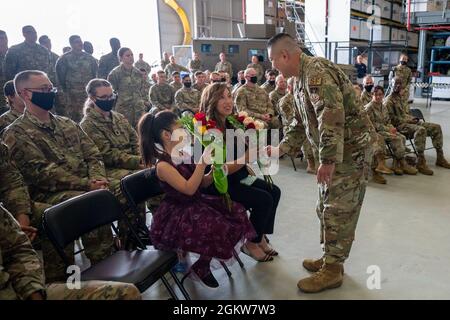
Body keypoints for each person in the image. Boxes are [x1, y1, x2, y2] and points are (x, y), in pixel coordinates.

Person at [266, 33, 371, 293]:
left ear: (285, 56)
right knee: (324, 206)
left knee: (338, 211)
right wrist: (282, 148)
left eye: (272, 60)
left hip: (350, 153)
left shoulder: (316, 74)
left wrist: (327, 159)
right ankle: (329, 259)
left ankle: (333, 270)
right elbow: (302, 121)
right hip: (338, 152)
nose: (272, 67)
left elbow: (331, 117)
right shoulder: (301, 78)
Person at [3, 70, 115, 282]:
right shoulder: (16, 132)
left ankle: (107, 271)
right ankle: (65, 283)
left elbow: (93, 154)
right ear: (25, 94)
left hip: (86, 187)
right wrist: (86, 184)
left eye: (50, 88)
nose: (50, 93)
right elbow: (42, 173)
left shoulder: (67, 123)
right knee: (82, 204)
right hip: (48, 196)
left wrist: (97, 180)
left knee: (99, 197)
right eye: (44, 90)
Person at [137, 111, 255, 288]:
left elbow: (202, 183)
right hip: (179, 212)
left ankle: (202, 264)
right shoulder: (162, 165)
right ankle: (201, 265)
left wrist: (214, 171)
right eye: (180, 128)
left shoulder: (182, 154)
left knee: (235, 211)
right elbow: (189, 189)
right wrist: (202, 162)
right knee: (216, 226)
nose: (185, 131)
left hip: (196, 203)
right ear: (166, 135)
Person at [201, 83, 281, 262]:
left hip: (238, 177)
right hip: (219, 183)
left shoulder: (231, 122)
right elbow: (221, 169)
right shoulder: (206, 128)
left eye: (229, 96)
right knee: (264, 199)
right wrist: (246, 157)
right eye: (222, 97)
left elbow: (242, 154)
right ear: (211, 101)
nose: (228, 101)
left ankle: (259, 237)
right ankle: (250, 243)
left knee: (274, 191)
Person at [0, 204, 142, 300]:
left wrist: (32, 291)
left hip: (19, 290)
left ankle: (109, 271)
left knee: (127, 293)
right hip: (45, 192)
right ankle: (62, 277)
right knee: (75, 212)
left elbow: (18, 251)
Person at [80, 79, 143, 200]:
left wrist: (142, 158)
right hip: (110, 168)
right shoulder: (88, 125)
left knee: (158, 174)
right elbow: (107, 155)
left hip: (134, 161)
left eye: (111, 96)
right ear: (93, 98)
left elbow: (135, 140)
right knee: (135, 182)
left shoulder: (118, 117)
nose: (109, 100)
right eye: (104, 97)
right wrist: (138, 162)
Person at [385, 77, 450, 175]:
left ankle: (440, 158)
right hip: (399, 126)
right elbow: (392, 120)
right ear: (391, 84)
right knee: (421, 130)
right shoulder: (388, 101)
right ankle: (421, 161)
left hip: (408, 122)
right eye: (395, 83)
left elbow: (404, 113)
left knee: (436, 127)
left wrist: (412, 118)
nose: (398, 86)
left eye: (399, 83)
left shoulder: (400, 98)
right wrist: (408, 119)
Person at [365, 85, 417, 176]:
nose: (378, 97)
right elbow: (373, 125)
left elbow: (388, 121)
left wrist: (392, 128)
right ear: (372, 95)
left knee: (402, 137)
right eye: (375, 94)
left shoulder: (383, 107)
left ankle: (396, 164)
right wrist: (388, 129)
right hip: (375, 132)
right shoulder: (369, 108)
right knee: (397, 138)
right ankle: (403, 163)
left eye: (380, 94)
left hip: (385, 130)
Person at [278, 77, 316, 174]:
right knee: (307, 134)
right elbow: (291, 119)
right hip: (291, 127)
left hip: (306, 124)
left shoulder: (301, 97)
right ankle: (311, 164)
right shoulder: (284, 101)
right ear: (290, 87)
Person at [55, 35, 98, 122]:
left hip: (87, 95)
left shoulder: (90, 58)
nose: (80, 44)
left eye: (81, 41)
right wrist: (63, 96)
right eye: (77, 42)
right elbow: (60, 79)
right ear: (71, 44)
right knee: (73, 119)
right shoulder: (64, 59)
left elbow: (95, 77)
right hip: (72, 97)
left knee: (89, 117)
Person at [107, 47, 146, 128]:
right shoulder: (115, 74)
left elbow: (141, 91)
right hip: (123, 110)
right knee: (125, 135)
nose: (131, 57)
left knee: (141, 133)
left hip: (139, 109)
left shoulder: (138, 73)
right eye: (127, 55)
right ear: (121, 58)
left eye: (132, 55)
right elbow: (110, 94)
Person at [0, 30, 8, 100]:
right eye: (1, 38)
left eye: (5, 38)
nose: (4, 40)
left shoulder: (14, 53)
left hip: (14, 92)